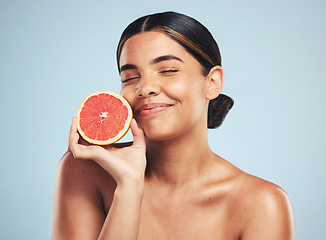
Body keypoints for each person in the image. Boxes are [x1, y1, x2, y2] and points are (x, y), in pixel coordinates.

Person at [52, 11, 294, 239]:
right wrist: (128, 189)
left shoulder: (261, 203)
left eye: (167, 70)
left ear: (212, 82)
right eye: (130, 77)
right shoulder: (85, 171)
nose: (145, 88)